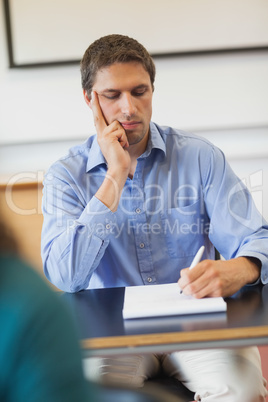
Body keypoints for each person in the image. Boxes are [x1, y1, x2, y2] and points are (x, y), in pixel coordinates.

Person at [41, 34, 268, 401]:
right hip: (112, 335)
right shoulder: (66, 175)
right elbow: (65, 275)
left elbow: (257, 239)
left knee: (241, 391)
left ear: (152, 90)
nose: (129, 108)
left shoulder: (200, 158)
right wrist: (114, 177)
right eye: (112, 95)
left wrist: (240, 268)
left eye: (139, 91)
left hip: (199, 326)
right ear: (90, 100)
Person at [0, 221, 96, 402]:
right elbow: (68, 277)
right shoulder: (65, 192)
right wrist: (108, 195)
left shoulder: (27, 305)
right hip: (108, 342)